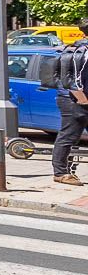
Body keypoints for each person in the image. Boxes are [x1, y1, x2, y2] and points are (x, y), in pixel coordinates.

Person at [54, 40, 88, 185]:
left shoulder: (74, 47)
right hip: (76, 98)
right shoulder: (84, 51)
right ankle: (60, 173)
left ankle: (62, 171)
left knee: (68, 136)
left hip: (70, 96)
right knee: (68, 136)